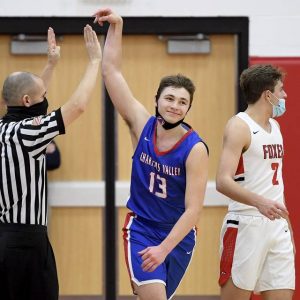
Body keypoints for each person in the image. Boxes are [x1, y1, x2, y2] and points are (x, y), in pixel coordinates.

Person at [93, 8, 209, 300]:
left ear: (188, 109)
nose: (175, 105)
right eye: (169, 98)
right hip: (142, 228)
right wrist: (117, 27)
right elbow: (111, 72)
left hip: (178, 235)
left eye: (183, 102)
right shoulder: (140, 124)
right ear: (156, 100)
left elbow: (194, 210)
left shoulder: (195, 149)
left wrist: (165, 248)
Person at [0, 24, 101, 300]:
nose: (46, 101)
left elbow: (32, 96)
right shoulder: (28, 133)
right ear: (27, 101)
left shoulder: (5, 128)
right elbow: (77, 106)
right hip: (26, 244)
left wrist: (51, 65)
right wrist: (94, 62)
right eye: (42, 98)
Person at [216, 64, 295, 300]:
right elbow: (222, 181)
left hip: (276, 225)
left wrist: (286, 222)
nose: (285, 95)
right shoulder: (239, 126)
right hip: (245, 224)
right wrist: (260, 203)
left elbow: (275, 181)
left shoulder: (275, 127)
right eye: (281, 90)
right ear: (267, 95)